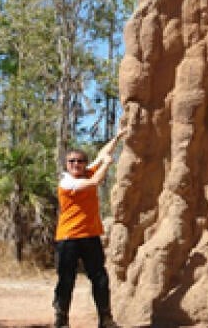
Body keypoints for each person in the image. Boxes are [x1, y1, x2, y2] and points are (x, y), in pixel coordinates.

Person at [53, 132, 124, 328]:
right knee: (66, 279)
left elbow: (102, 154)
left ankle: (105, 319)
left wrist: (117, 138)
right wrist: (107, 164)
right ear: (66, 164)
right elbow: (94, 183)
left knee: (99, 277)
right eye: (72, 161)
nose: (76, 164)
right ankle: (61, 320)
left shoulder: (87, 172)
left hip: (90, 236)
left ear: (85, 163)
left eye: (80, 161)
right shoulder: (67, 182)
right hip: (68, 238)